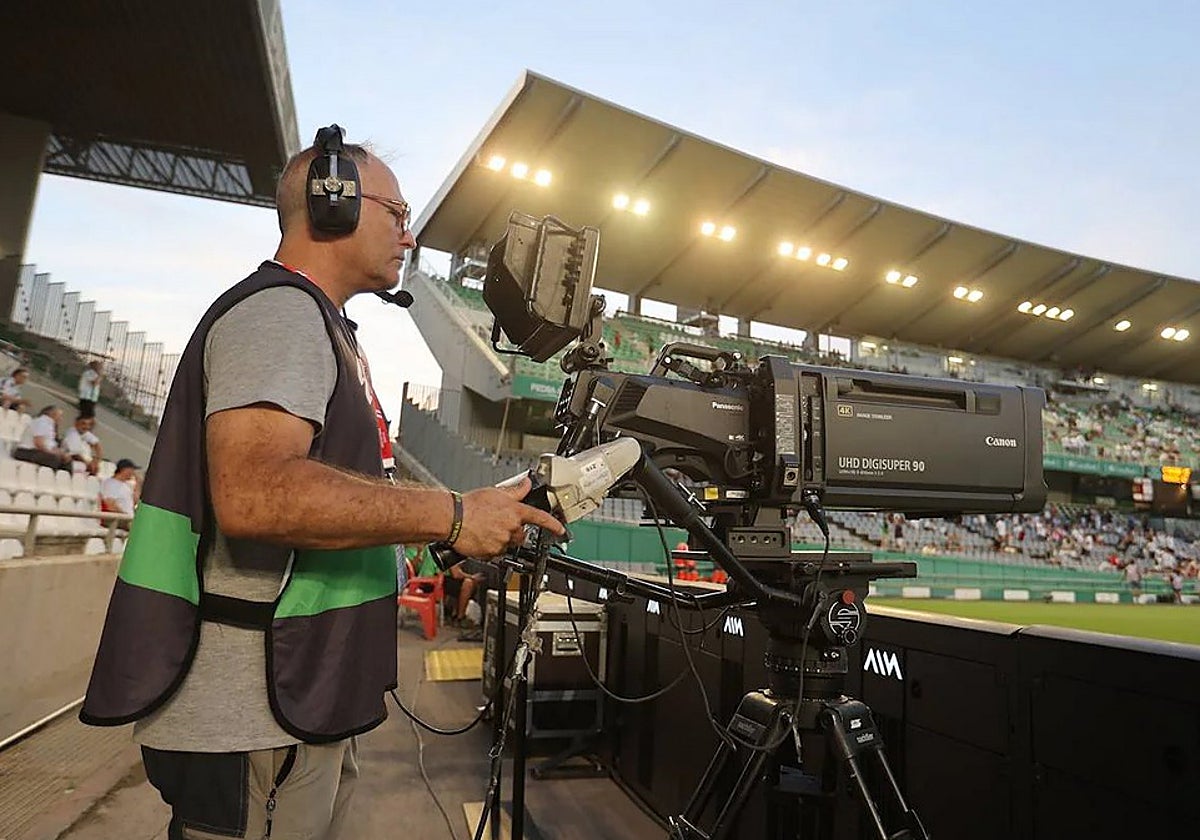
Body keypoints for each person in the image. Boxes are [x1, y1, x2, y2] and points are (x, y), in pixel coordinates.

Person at [80, 129, 564, 840]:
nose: (409, 235)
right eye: (396, 214)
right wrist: (455, 512)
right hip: (254, 714)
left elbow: (328, 524)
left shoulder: (323, 326)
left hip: (293, 707)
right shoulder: (281, 314)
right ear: (331, 202)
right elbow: (256, 495)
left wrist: (452, 537)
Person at [12, 405, 72, 470]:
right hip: (26, 451)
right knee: (53, 459)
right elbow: (39, 443)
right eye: (60, 416)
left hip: (37, 451)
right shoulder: (41, 422)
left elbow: (51, 445)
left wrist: (61, 453)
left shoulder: (49, 425)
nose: (61, 418)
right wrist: (53, 453)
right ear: (52, 414)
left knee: (67, 460)